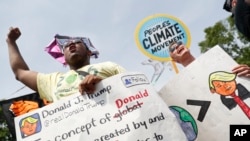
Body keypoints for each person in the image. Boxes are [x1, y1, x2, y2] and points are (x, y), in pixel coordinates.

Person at [6, 27, 126, 103]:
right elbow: (20, 72)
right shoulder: (52, 81)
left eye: (77, 42)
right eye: (67, 46)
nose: (71, 45)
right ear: (64, 58)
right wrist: (11, 42)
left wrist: (104, 85)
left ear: (89, 52)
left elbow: (136, 89)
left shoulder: (109, 66)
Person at [169, 41, 250, 78]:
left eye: (179, 43)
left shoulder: (216, 60)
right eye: (173, 49)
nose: (177, 46)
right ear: (175, 61)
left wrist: (246, 73)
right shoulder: (186, 83)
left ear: (187, 47)